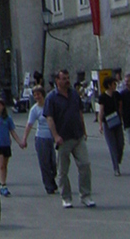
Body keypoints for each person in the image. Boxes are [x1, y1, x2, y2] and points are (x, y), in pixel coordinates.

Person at [44, 68, 94, 208]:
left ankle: (86, 196)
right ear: (57, 81)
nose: (67, 80)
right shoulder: (51, 97)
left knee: (85, 165)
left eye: (67, 78)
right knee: (63, 171)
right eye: (64, 78)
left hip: (77, 136)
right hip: (63, 139)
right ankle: (66, 197)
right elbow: (49, 118)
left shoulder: (74, 94)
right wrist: (55, 136)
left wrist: (84, 130)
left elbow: (79, 112)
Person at [0, 96, 25, 196]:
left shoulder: (7, 119)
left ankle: (2, 181)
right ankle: (3, 185)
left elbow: (12, 132)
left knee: (5, 165)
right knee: (1, 165)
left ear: (3, 107)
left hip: (6, 144)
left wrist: (20, 142)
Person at [22, 85, 57, 194]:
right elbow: (29, 124)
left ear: (43, 95)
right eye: (35, 95)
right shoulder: (34, 109)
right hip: (41, 138)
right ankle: (49, 185)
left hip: (53, 137)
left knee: (55, 163)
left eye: (39, 94)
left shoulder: (50, 105)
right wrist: (24, 139)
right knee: (45, 163)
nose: (37, 97)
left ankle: (52, 179)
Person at [97, 75, 124, 175]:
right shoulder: (103, 97)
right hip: (107, 123)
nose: (115, 85)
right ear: (109, 85)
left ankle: (118, 158)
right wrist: (100, 125)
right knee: (112, 145)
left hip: (117, 121)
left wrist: (120, 114)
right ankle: (116, 168)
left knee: (121, 143)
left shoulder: (117, 95)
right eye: (113, 84)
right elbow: (101, 111)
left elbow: (121, 105)